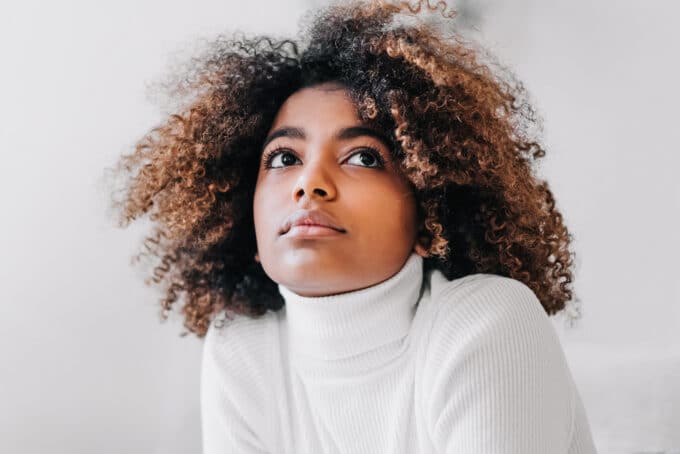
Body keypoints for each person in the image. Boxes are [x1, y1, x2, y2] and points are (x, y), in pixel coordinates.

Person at [105, 0, 598, 452]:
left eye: (362, 156)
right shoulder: (243, 344)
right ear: (244, 221)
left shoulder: (486, 322)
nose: (309, 184)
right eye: (283, 158)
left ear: (429, 218)